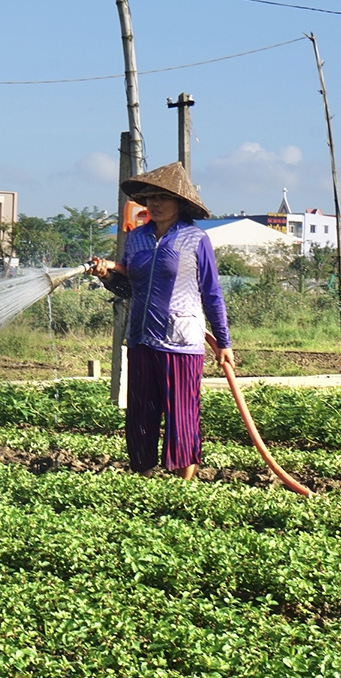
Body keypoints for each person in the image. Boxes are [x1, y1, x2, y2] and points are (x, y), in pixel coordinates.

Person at [90, 162, 234, 480]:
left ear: (180, 202)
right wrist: (105, 276)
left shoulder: (195, 240)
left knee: (181, 413)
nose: (154, 203)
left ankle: (184, 483)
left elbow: (212, 293)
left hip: (182, 342)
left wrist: (223, 342)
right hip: (141, 338)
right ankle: (144, 477)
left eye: (163, 198)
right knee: (141, 413)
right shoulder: (137, 238)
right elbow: (127, 287)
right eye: (150, 197)